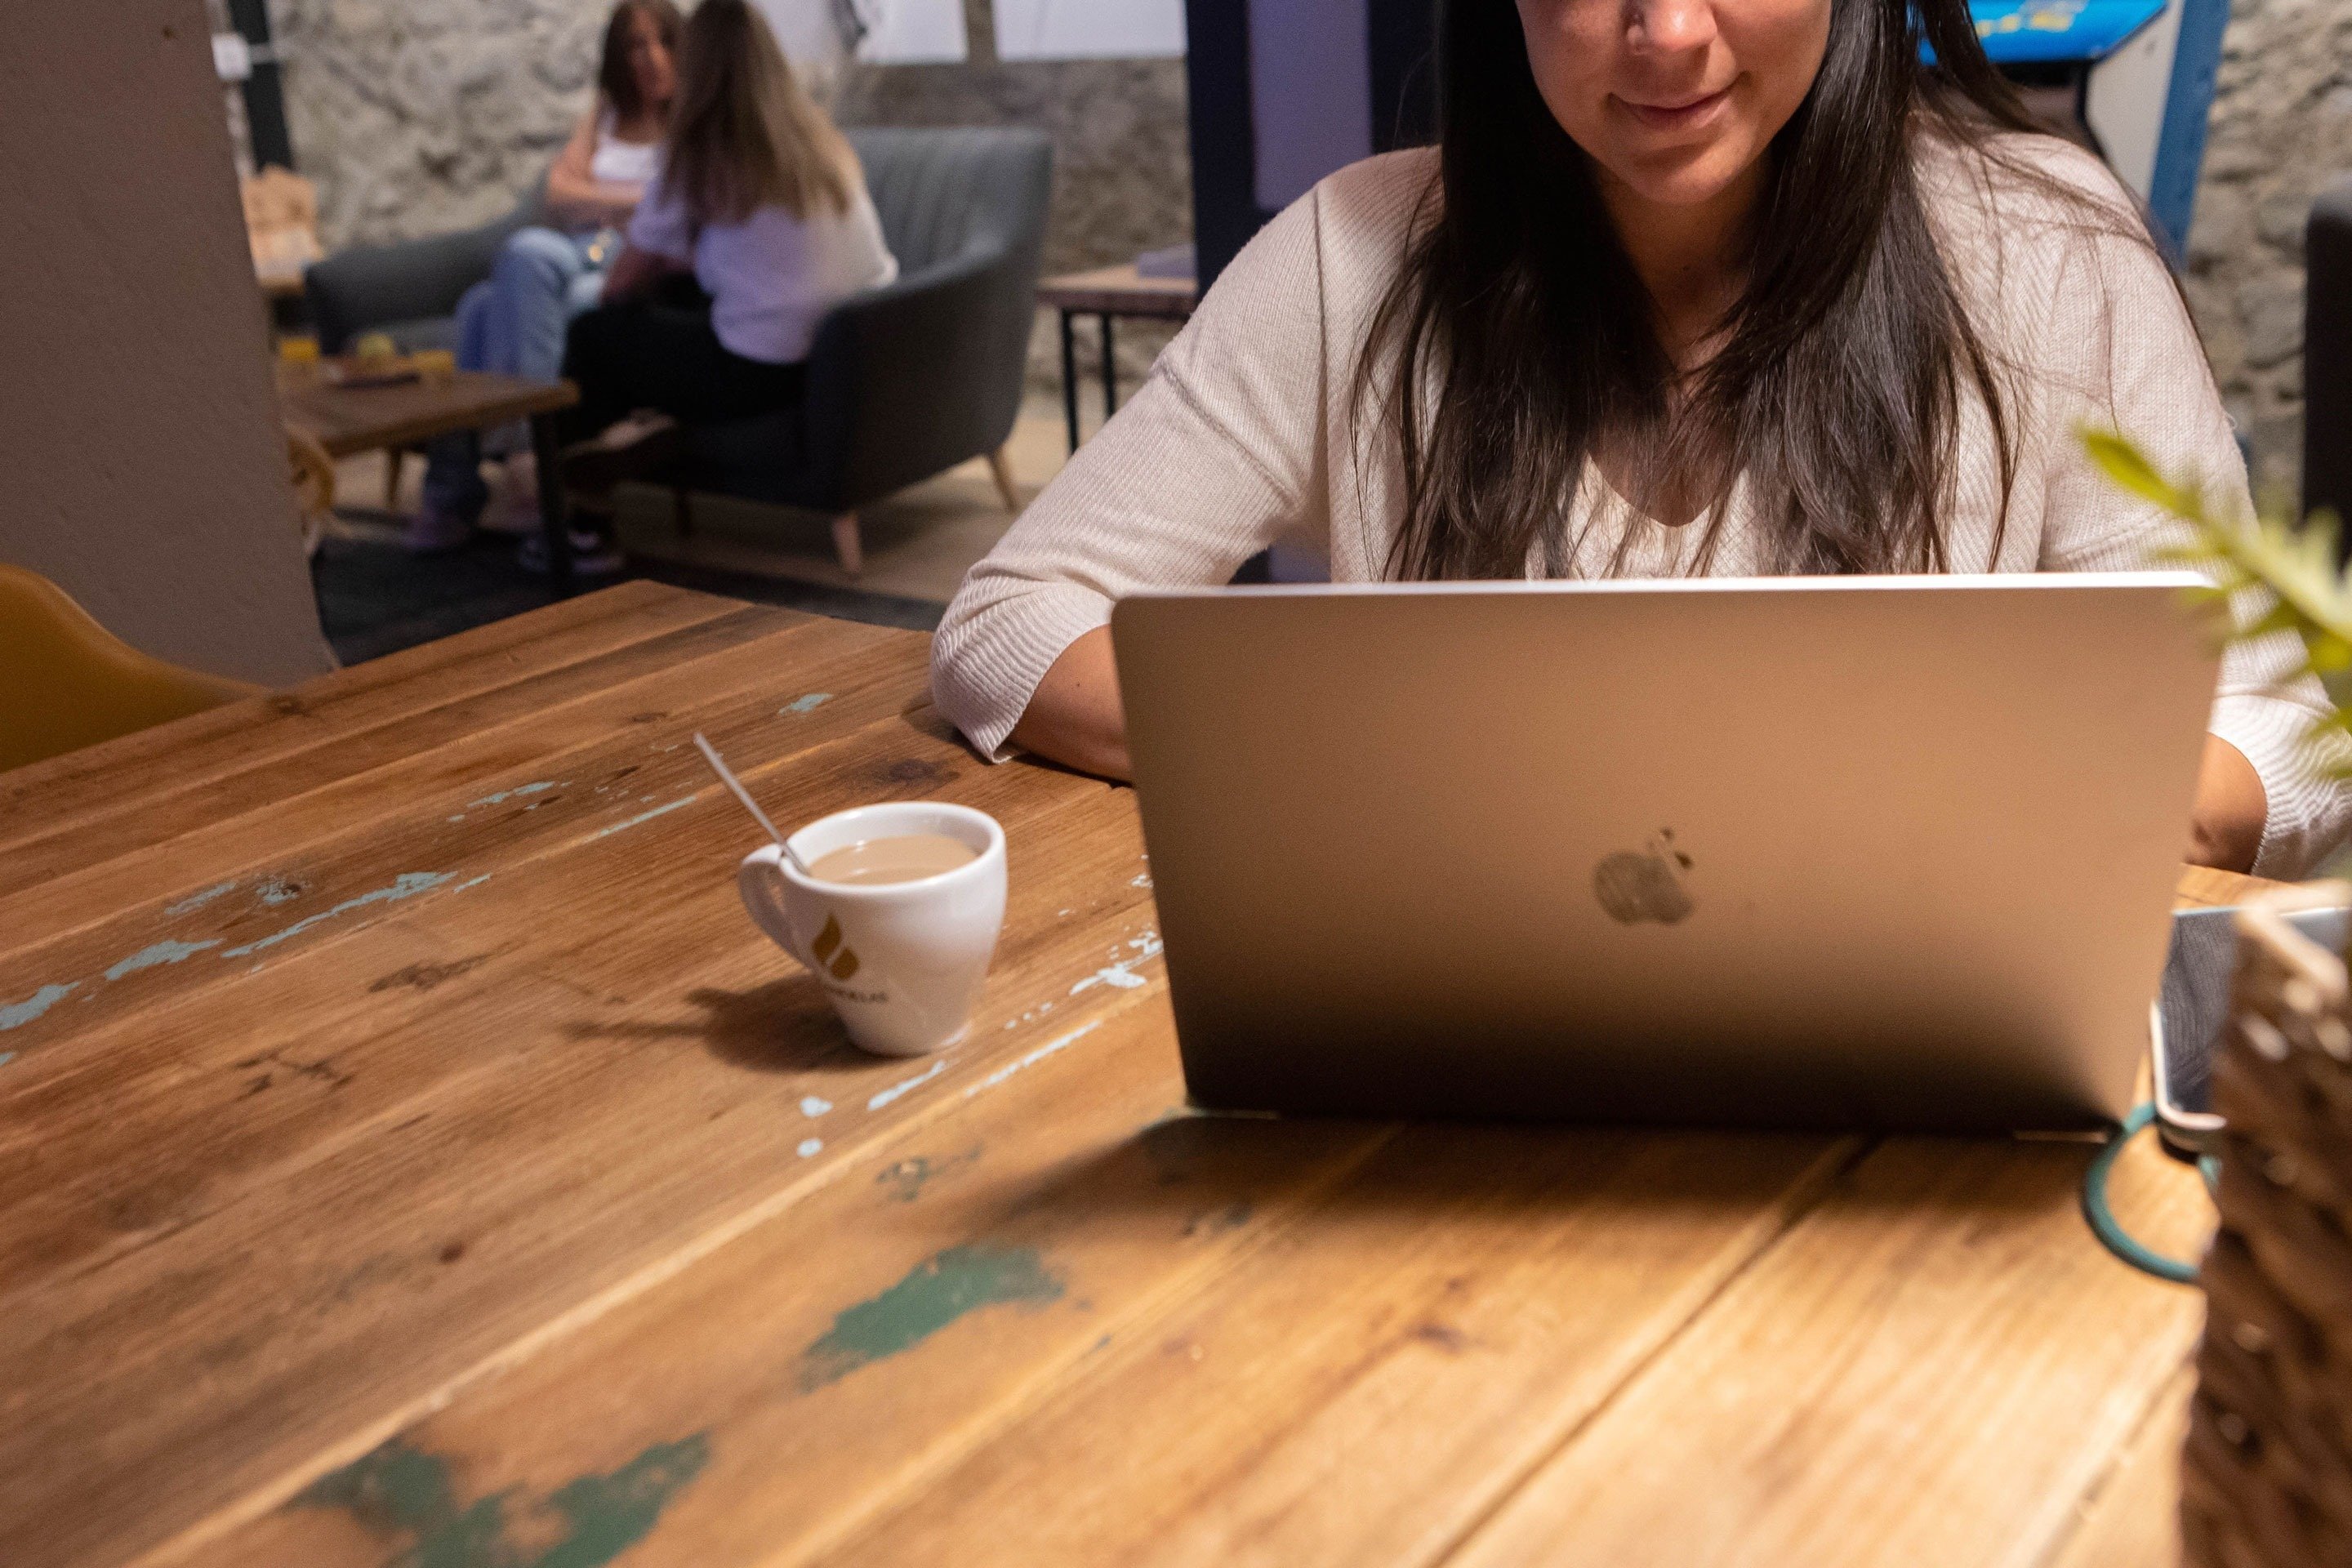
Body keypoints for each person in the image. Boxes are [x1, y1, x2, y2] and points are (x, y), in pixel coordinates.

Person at [933, 0, 2352, 880]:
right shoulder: (1354, 258)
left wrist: (1962, 808)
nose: (1666, 30)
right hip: (1467, 1069)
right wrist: (1400, 765)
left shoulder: (2051, 255)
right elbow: (1008, 625)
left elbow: (2277, 732)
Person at [550, 0, 898, 569]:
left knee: (596, 332)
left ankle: (583, 513)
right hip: (843, 353)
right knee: (675, 299)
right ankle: (636, 438)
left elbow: (619, 284)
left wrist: (655, 275)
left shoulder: (696, 154)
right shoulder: (818, 141)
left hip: (759, 371)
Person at [411, 0, 683, 559]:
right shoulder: (605, 114)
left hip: (635, 266)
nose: (650, 59)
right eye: (635, 45)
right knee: (505, 279)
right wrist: (635, 201)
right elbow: (559, 194)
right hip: (580, 249)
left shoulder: (692, 121)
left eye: (662, 43)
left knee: (493, 296)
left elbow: (678, 204)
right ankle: (521, 470)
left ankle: (467, 486)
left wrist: (608, 204)